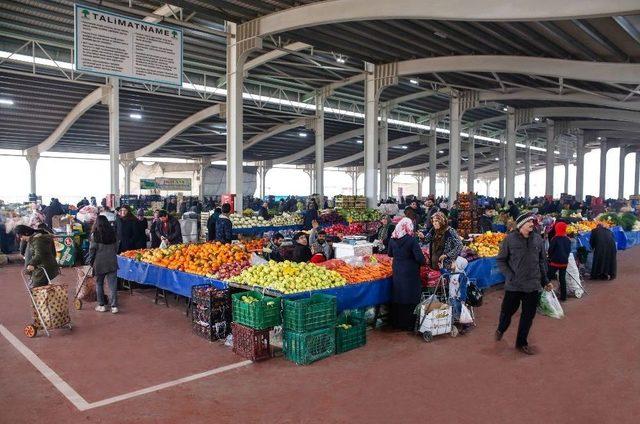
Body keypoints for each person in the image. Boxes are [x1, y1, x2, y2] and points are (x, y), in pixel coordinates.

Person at [495, 213, 553, 355]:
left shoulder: (538, 239)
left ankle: (522, 343)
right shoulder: (509, 240)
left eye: (532, 222)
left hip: (533, 285)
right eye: (529, 222)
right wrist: (510, 275)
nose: (532, 224)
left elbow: (541, 262)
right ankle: (501, 328)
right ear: (521, 225)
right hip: (514, 285)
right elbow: (501, 260)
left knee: (528, 316)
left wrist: (545, 281)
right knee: (507, 312)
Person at [387, 217, 426, 330]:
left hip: (398, 270)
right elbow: (420, 258)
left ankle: (397, 323)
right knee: (411, 296)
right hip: (410, 272)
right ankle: (409, 324)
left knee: (399, 294)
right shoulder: (411, 240)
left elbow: (390, 254)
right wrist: (423, 261)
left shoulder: (393, 238)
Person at [89, 216, 119, 313]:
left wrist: (91, 261)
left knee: (99, 284)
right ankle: (114, 306)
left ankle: (101, 305)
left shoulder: (94, 235)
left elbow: (92, 250)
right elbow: (116, 248)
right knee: (113, 285)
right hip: (112, 262)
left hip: (99, 263)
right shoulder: (113, 234)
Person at [547, 221, 571, 301]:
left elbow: (550, 250)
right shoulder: (567, 239)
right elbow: (568, 250)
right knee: (562, 279)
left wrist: (550, 257)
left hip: (555, 262)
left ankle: (547, 294)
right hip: (564, 262)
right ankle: (564, 297)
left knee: (548, 277)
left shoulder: (555, 239)